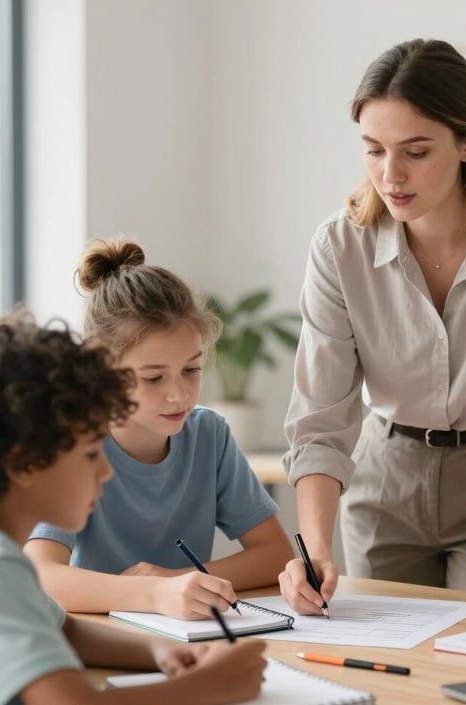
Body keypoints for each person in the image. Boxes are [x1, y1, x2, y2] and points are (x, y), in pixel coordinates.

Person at [279, 38, 466, 614]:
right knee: (388, 671)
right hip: (384, 477)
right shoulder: (340, 246)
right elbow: (321, 413)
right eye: (373, 150)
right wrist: (313, 549)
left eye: (415, 151)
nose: (390, 175)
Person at [0, 310, 266, 705]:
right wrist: (207, 689)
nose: (107, 471)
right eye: (91, 454)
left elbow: (61, 629)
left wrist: (156, 652)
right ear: (24, 463)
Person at [24, 239, 292, 619]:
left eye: (191, 370)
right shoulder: (71, 442)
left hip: (186, 638)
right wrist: (152, 593)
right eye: (153, 378)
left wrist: (177, 580)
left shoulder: (209, 435)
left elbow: (276, 555)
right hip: (95, 637)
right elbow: (41, 576)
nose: (179, 394)